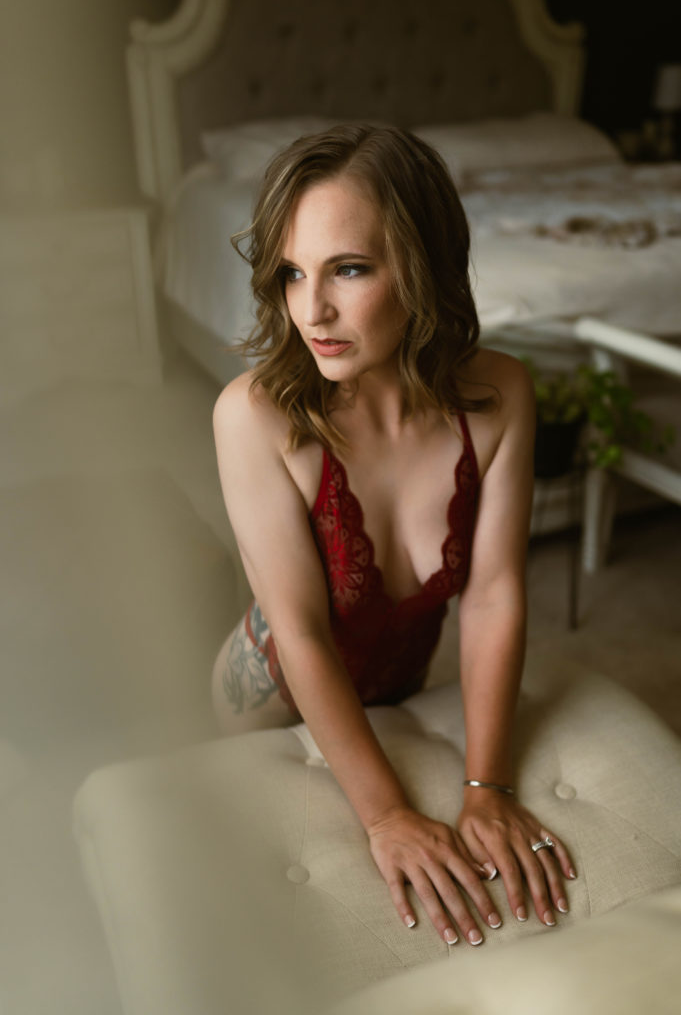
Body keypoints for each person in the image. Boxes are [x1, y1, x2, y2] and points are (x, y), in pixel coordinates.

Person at [211, 124, 576, 949]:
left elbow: (492, 593)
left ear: (422, 263)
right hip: (264, 705)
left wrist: (486, 786)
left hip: (401, 684)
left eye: (348, 268)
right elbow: (300, 633)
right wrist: (385, 817)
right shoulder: (256, 416)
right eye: (292, 273)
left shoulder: (499, 394)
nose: (312, 311)